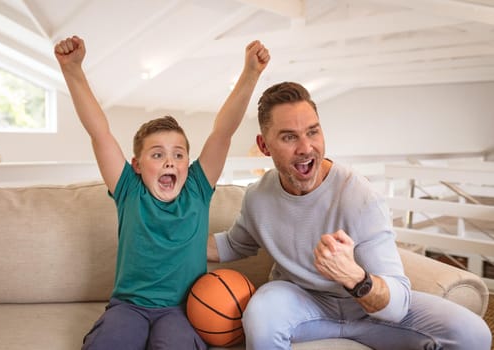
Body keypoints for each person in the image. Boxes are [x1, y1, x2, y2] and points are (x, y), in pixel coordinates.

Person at [207, 82, 492, 350]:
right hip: (302, 303)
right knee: (261, 313)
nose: (306, 147)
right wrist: (170, 241)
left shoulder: (359, 197)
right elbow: (234, 244)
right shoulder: (259, 196)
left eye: (312, 132)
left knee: (473, 333)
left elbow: (397, 305)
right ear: (264, 145)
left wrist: (356, 278)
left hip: (369, 312)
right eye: (289, 137)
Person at [54, 35, 269, 350]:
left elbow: (223, 131)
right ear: (136, 165)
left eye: (179, 154)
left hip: (181, 310)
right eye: (157, 154)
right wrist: (73, 70)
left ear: (187, 163)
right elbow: (99, 131)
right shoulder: (129, 190)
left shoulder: (196, 189)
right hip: (128, 307)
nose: (170, 160)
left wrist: (250, 73)